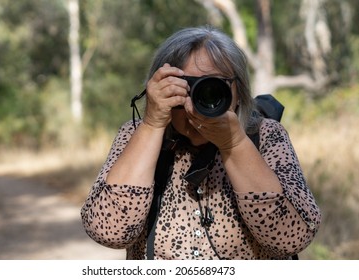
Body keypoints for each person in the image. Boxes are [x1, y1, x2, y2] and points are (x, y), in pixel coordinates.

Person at [81, 25, 321, 260]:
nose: (195, 101)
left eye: (212, 87)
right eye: (184, 86)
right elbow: (108, 231)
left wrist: (235, 143)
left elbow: (293, 237)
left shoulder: (265, 135)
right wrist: (152, 125)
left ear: (239, 92)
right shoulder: (136, 135)